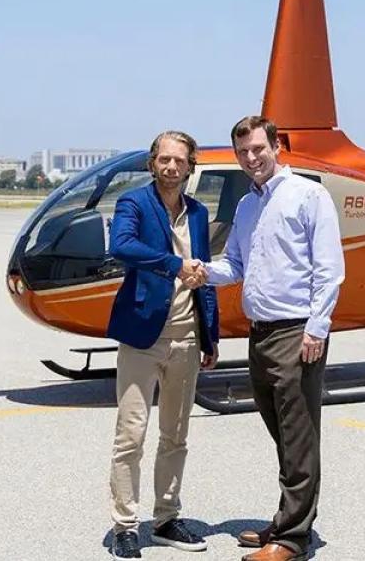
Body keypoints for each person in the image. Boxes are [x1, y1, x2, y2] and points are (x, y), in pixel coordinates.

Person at [197, 116, 345, 561]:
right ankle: (286, 520)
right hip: (260, 336)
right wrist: (201, 272)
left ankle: (293, 539)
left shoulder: (307, 195)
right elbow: (236, 265)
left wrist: (316, 328)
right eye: (243, 152)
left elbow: (329, 269)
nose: (252, 158)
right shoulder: (247, 207)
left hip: (296, 332)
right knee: (281, 432)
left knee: (299, 435)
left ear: (277, 146)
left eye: (259, 149)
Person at [105, 130, 220, 559]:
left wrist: (211, 335)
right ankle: (125, 525)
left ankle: (167, 517)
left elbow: (204, 277)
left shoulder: (197, 213)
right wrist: (174, 264)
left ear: (191, 167)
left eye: (180, 161)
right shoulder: (134, 203)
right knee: (130, 435)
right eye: (165, 160)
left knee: (176, 434)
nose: (172, 168)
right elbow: (121, 245)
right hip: (142, 336)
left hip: (187, 337)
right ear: (152, 163)